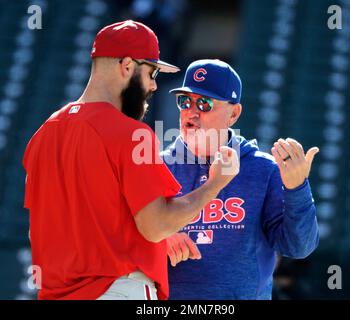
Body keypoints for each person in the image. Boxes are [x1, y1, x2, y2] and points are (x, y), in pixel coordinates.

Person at [22, 22, 239, 300]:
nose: (153, 85)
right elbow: (156, 226)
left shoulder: (42, 135)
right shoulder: (133, 133)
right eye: (152, 72)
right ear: (126, 65)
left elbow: (39, 232)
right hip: (118, 290)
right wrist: (214, 184)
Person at [162, 59, 320, 300]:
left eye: (204, 103)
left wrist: (297, 189)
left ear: (233, 114)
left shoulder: (263, 168)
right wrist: (158, 237)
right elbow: (120, 238)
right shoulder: (158, 166)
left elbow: (299, 247)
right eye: (184, 101)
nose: (191, 112)